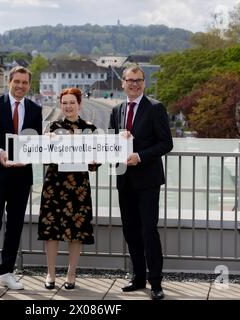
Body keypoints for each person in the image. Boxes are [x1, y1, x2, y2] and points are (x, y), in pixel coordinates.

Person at [0, 66, 43, 294]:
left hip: (21, 177)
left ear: (29, 85)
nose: (21, 86)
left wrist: (36, 150)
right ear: (9, 82)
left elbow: (36, 140)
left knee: (15, 227)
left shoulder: (35, 109)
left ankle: (6, 273)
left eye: (25, 82)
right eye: (17, 82)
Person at [109, 65, 173, 300]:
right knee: (131, 231)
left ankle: (155, 282)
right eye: (130, 80)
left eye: (139, 80)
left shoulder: (155, 108)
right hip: (124, 179)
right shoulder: (117, 110)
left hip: (148, 181)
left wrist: (141, 155)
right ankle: (137, 277)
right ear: (122, 83)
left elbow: (166, 143)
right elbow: (112, 143)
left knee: (149, 230)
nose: (134, 84)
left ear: (144, 82)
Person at [38, 87, 98, 290]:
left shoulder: (90, 129)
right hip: (54, 185)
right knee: (51, 230)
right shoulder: (52, 128)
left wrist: (94, 160)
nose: (68, 106)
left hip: (78, 187)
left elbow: (95, 165)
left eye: (72, 102)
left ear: (79, 104)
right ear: (60, 105)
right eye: (64, 103)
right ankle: (50, 273)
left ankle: (71, 274)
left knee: (77, 231)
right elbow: (43, 158)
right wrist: (46, 144)